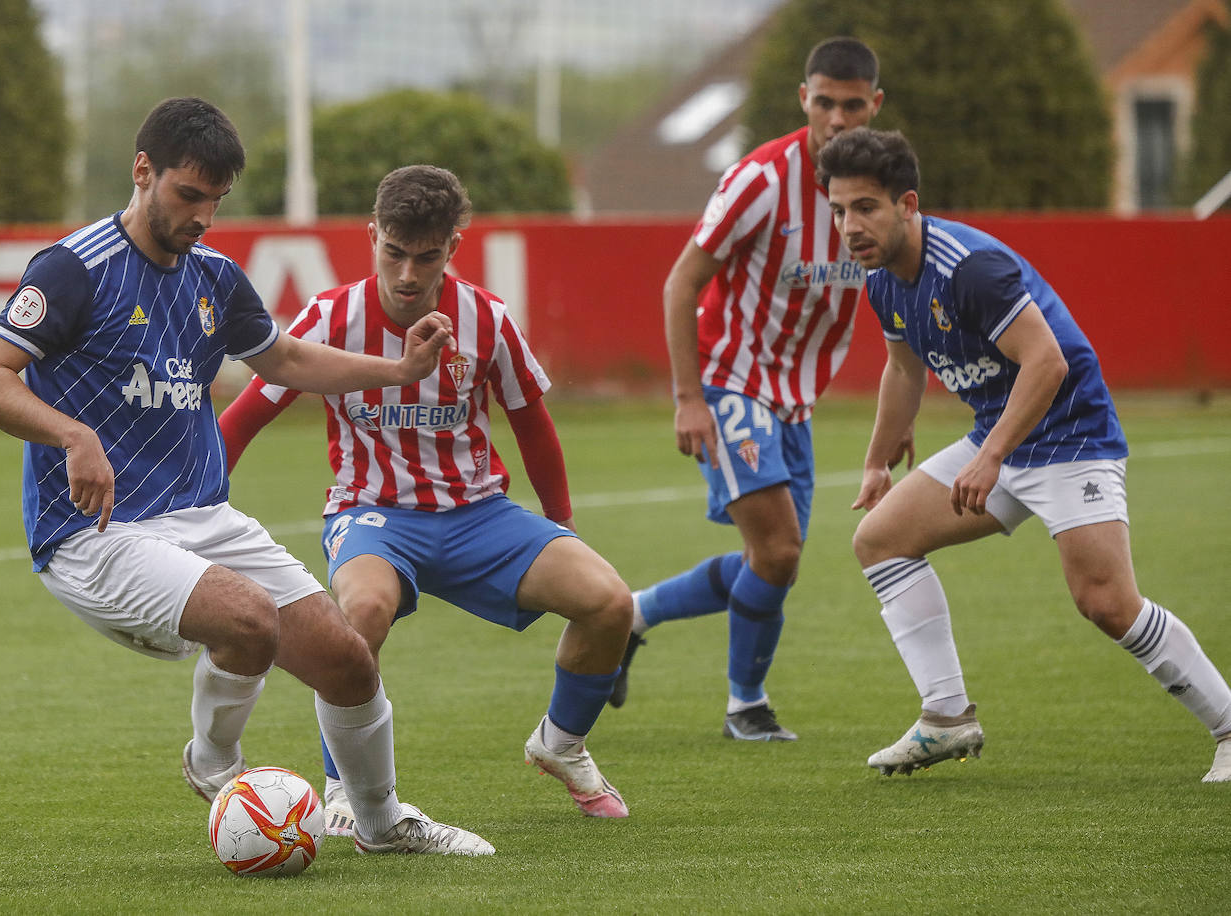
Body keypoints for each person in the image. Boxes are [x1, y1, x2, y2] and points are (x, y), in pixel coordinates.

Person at [0, 97, 497, 856]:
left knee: (346, 661)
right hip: (95, 530)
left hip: (201, 517)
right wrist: (71, 433)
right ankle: (215, 765)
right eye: (188, 194)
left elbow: (287, 359)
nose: (203, 216)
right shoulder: (74, 269)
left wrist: (399, 368)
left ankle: (381, 826)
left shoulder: (214, 275)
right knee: (248, 618)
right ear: (143, 172)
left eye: (216, 199)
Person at [219, 164, 634, 833]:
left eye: (426, 257)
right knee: (360, 614)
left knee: (610, 603)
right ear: (372, 235)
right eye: (394, 253)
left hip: (478, 514)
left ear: (453, 248)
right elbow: (244, 415)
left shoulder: (487, 320)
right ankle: (344, 792)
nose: (408, 275)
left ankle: (560, 744)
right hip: (371, 514)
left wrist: (562, 524)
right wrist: (198, 498)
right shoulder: (330, 317)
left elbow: (533, 424)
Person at [816, 126, 1231, 782]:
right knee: (880, 540)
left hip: (1071, 435)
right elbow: (902, 371)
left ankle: (1230, 726)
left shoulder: (969, 268)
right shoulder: (882, 280)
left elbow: (1048, 361)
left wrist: (990, 458)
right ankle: (946, 716)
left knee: (1106, 603)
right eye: (838, 211)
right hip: (1000, 435)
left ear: (908, 204)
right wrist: (876, 460)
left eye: (865, 207)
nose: (849, 225)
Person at [614, 37, 894, 741]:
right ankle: (746, 706)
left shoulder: (877, 187)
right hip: (731, 380)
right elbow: (682, 282)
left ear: (875, 106)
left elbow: (895, 284)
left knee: (771, 560)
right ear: (804, 99)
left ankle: (629, 616)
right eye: (824, 102)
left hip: (795, 400)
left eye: (852, 104)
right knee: (778, 553)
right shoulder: (761, 180)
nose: (836, 117)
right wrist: (688, 397)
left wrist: (906, 401)